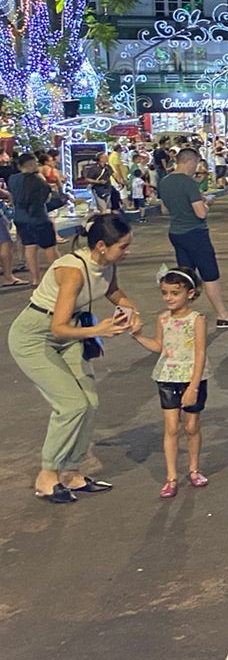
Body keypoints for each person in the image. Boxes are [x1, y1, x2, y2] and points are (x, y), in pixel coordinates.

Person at [9, 214, 139, 503]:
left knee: (89, 402)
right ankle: (47, 474)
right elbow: (57, 327)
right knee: (71, 404)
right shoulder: (73, 271)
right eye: (123, 246)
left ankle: (71, 471)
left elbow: (112, 290)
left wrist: (132, 311)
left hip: (69, 334)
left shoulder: (107, 264)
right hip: (34, 337)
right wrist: (100, 330)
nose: (127, 251)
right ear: (102, 246)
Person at [131, 267, 211, 499]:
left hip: (191, 377)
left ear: (190, 293)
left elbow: (200, 353)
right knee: (171, 427)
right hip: (166, 376)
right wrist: (138, 336)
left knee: (191, 426)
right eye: (165, 293)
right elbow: (159, 346)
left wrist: (193, 387)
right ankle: (171, 477)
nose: (169, 298)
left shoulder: (197, 320)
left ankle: (194, 469)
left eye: (175, 293)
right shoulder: (163, 319)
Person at [156, 147, 228, 327]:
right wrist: (207, 203)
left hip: (176, 232)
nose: (196, 167)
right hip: (195, 233)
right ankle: (223, 315)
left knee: (185, 277)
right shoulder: (188, 183)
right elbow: (200, 213)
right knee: (209, 275)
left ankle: (180, 315)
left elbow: (164, 209)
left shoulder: (164, 181)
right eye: (196, 163)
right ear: (190, 161)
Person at [9, 152, 57, 286]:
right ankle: (59, 276)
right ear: (31, 164)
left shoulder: (13, 179)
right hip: (39, 217)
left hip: (20, 218)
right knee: (50, 248)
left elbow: (12, 196)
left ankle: (36, 279)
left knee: (30, 247)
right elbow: (46, 198)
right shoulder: (38, 180)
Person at [87, 151, 122, 215]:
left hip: (107, 188)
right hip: (97, 189)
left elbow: (113, 174)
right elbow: (88, 179)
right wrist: (98, 181)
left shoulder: (108, 167)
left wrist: (119, 182)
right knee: (103, 208)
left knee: (107, 207)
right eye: (105, 157)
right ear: (101, 159)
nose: (107, 158)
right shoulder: (94, 168)